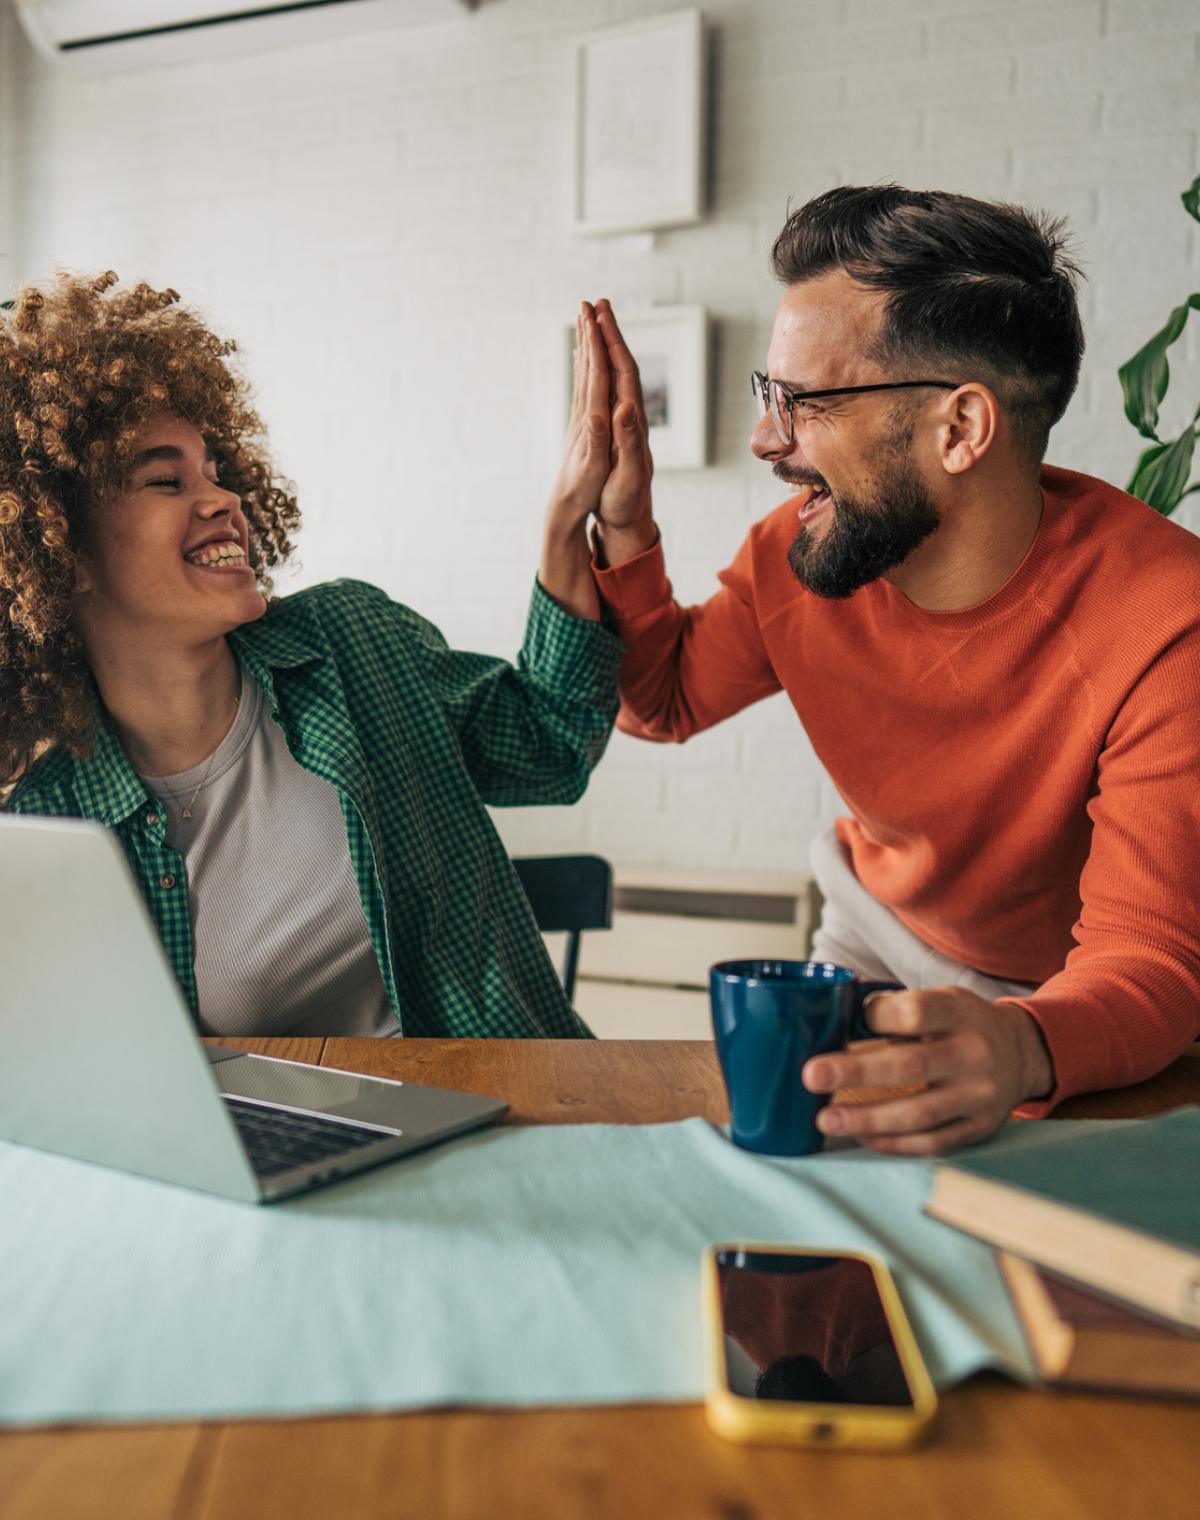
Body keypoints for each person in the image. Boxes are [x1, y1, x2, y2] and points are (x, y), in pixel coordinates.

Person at [582, 184, 1200, 1154]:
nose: (765, 440)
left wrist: (1022, 1041)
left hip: (1069, 1010)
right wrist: (623, 517)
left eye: (806, 402)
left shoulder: (1168, 623)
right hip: (870, 945)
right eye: (767, 393)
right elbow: (661, 697)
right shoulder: (805, 554)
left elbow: (1150, 956)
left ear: (961, 429)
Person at [0, 271, 627, 1039]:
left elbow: (551, 746)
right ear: (61, 551)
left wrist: (570, 520)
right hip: (276, 1153)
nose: (221, 499)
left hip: (509, 1119)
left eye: (215, 471)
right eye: (167, 480)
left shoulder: (352, 642)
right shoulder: (46, 820)